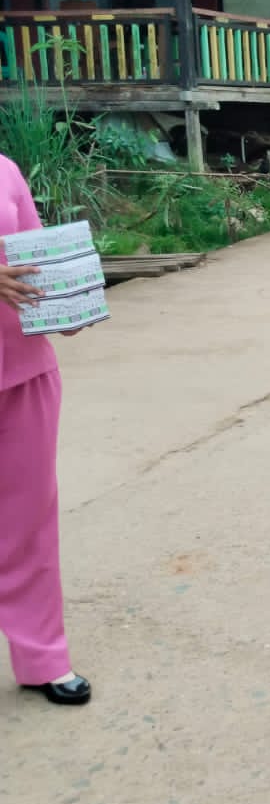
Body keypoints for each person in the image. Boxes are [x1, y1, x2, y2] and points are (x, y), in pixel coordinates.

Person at [0, 154, 92, 708]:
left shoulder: (4, 170)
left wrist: (69, 300)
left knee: (29, 523)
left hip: (22, 368)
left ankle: (42, 657)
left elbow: (38, 256)